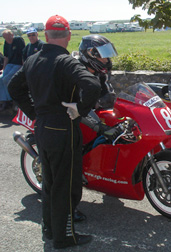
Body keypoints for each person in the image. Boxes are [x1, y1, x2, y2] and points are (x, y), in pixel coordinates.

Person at [8, 15, 101, 249]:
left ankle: (49, 228)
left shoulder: (32, 60)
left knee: (50, 182)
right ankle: (63, 237)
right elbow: (93, 85)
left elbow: (13, 87)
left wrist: (34, 112)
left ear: (46, 35)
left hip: (42, 127)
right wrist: (80, 109)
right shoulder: (65, 61)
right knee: (65, 184)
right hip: (63, 127)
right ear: (69, 36)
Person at [73, 34, 121, 136]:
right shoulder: (76, 72)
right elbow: (78, 104)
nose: (106, 60)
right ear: (89, 54)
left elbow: (108, 93)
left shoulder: (101, 72)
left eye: (107, 55)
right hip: (72, 114)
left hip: (92, 112)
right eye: (102, 55)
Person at [0, 29, 25, 111]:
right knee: (1, 78)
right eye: (5, 38)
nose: (7, 39)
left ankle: (12, 98)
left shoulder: (18, 40)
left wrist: (23, 66)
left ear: (12, 35)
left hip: (18, 64)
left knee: (6, 79)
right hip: (10, 64)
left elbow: (23, 54)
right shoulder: (6, 44)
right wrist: (3, 69)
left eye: (8, 37)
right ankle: (5, 100)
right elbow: (6, 57)